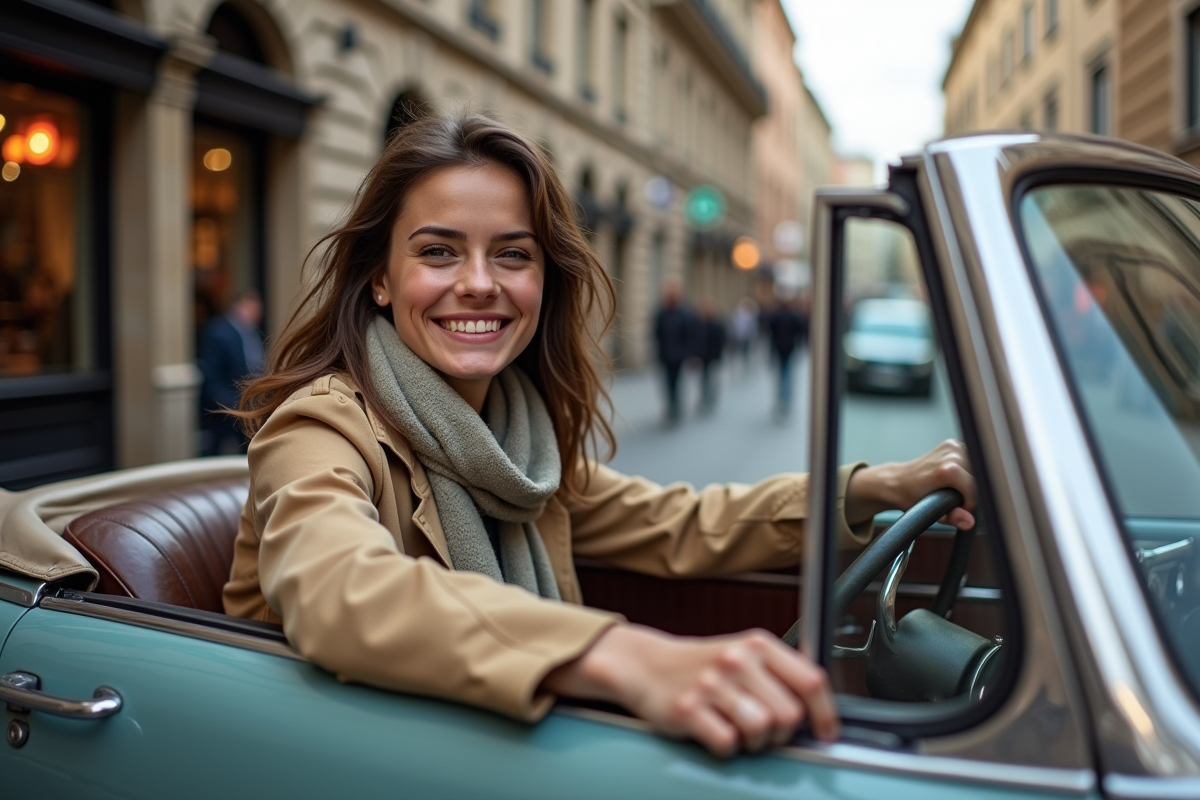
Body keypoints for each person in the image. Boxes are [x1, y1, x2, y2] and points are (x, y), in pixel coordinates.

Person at [223, 113, 976, 759]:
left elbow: (683, 520)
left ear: (544, 281)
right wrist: (624, 656)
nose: (480, 282)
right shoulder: (318, 425)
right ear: (380, 279)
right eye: (439, 251)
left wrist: (873, 487)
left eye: (512, 254)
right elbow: (341, 590)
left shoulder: (520, 442)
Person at [198, 289, 265, 455]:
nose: (255, 315)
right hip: (224, 407)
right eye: (251, 309)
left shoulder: (252, 332)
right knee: (216, 454)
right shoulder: (218, 332)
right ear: (238, 307)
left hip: (248, 403)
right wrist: (233, 404)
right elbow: (212, 377)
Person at [653, 278, 695, 426]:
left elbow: (690, 334)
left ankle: (676, 406)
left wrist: (689, 354)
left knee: (677, 381)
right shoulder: (662, 312)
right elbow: (656, 332)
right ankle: (670, 406)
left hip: (679, 355)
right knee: (667, 382)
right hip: (665, 354)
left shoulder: (684, 313)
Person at [765, 293, 808, 420]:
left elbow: (770, 335)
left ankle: (782, 402)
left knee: (782, 376)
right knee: (787, 376)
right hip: (788, 349)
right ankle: (785, 402)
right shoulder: (793, 317)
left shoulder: (776, 317)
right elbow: (800, 334)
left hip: (781, 349)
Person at [695, 300, 727, 413]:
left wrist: (719, 355)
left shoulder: (717, 324)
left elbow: (722, 341)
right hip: (703, 357)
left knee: (713, 379)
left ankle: (711, 399)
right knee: (703, 379)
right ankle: (704, 399)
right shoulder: (699, 324)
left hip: (714, 357)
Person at [728, 296, 759, 372]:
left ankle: (745, 364)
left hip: (746, 337)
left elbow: (753, 327)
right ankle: (739, 364)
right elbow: (733, 325)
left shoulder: (750, 316)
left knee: (745, 351)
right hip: (739, 336)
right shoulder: (738, 314)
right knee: (739, 351)